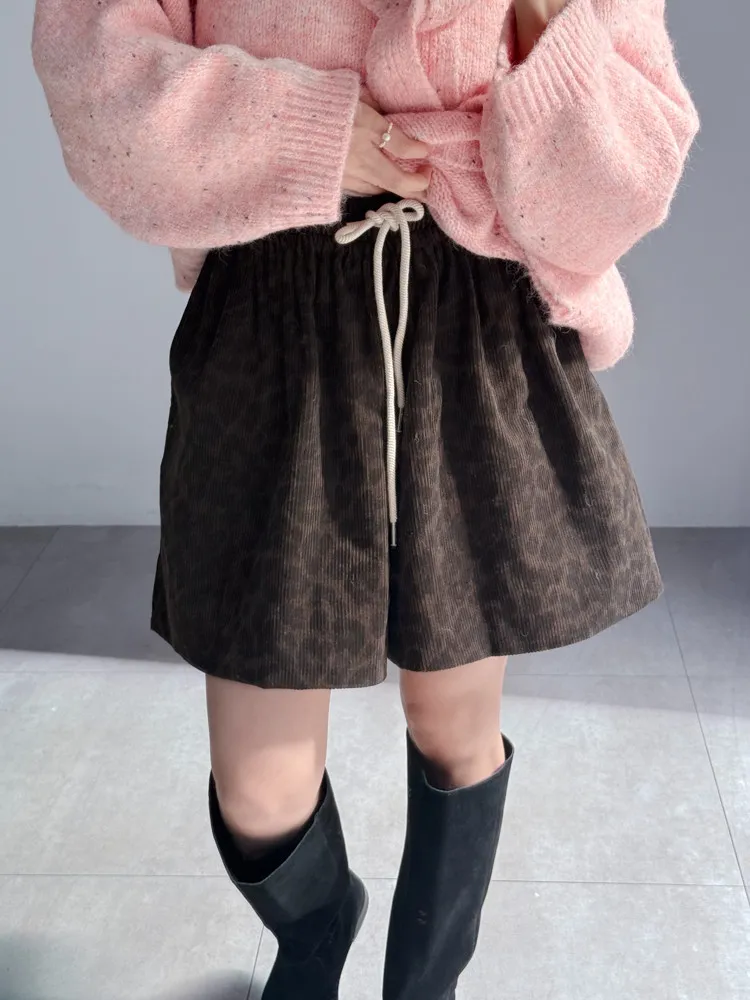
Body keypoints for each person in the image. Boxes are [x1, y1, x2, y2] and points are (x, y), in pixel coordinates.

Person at [32, 1, 698, 997]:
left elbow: (623, 185)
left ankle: (425, 987)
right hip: (274, 315)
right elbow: (96, 77)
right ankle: (316, 932)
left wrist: (555, 28)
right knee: (261, 792)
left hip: (476, 323)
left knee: (454, 726)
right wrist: (301, 132)